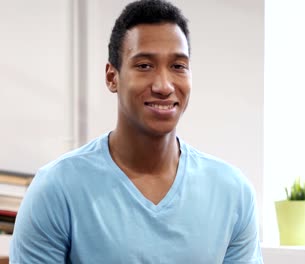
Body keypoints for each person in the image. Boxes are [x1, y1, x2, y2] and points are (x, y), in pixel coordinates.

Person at [9, 0, 263, 263]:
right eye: (144, 65)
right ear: (112, 77)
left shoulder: (233, 193)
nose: (164, 85)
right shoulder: (56, 189)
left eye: (178, 66)